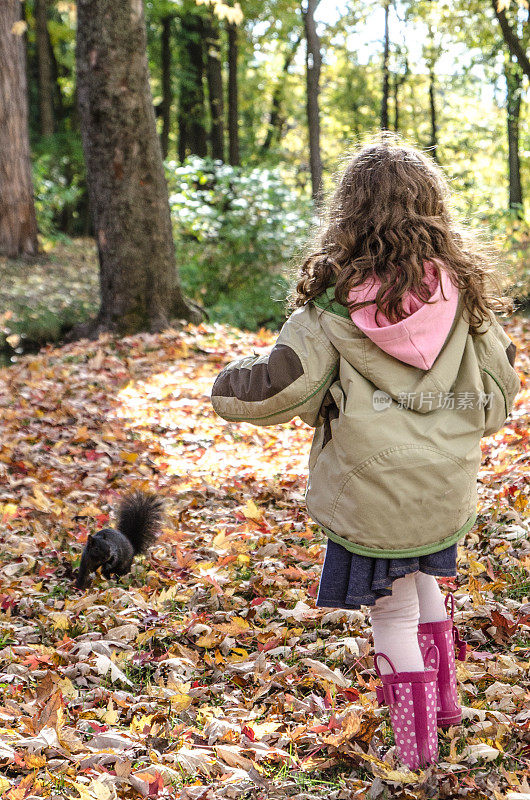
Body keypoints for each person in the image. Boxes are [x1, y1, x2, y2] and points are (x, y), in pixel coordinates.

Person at [210, 134, 520, 770]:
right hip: (441, 490)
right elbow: (498, 392)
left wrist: (225, 382)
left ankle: (416, 756)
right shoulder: (462, 296)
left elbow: (277, 385)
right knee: (422, 581)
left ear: (349, 216)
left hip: (371, 492)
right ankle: (445, 710)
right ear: (433, 212)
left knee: (392, 612)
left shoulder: (331, 311)